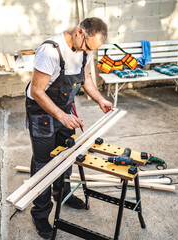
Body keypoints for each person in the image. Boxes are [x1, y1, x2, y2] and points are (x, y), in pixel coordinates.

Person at [25, 17, 113, 239]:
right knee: (44, 165)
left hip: (64, 110)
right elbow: (37, 91)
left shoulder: (84, 49)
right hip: (42, 113)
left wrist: (100, 100)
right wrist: (62, 116)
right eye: (87, 46)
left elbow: (86, 79)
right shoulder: (50, 51)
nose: (87, 51)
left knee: (67, 155)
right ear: (80, 32)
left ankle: (62, 193)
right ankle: (40, 214)